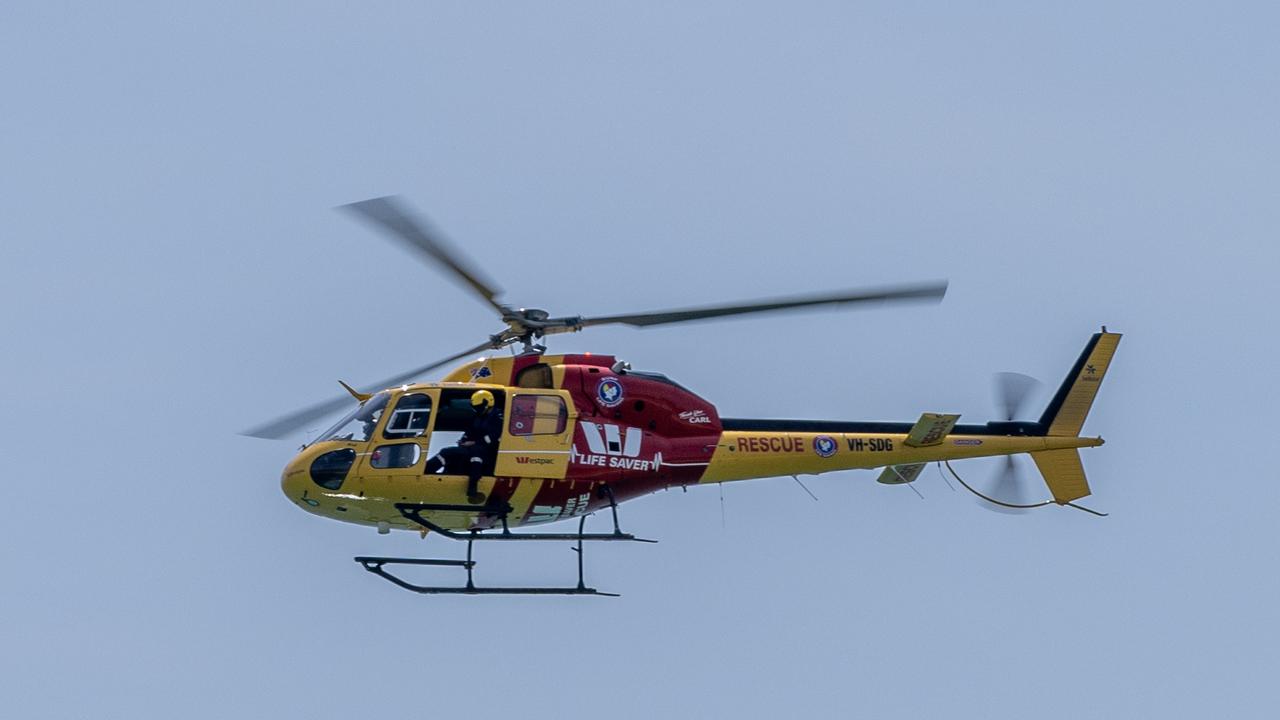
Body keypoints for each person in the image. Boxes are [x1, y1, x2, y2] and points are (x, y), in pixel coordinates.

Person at [425, 390, 502, 504]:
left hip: (490, 453)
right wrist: (463, 441)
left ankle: (472, 488)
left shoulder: (498, 417)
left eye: (479, 407)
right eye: (475, 407)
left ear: (487, 403)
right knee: (447, 452)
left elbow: (495, 436)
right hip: (473, 449)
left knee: (477, 454)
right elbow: (470, 432)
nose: (477, 410)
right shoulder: (478, 418)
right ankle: (426, 471)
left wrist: (475, 443)